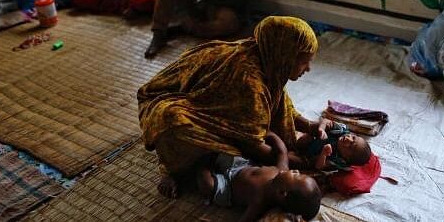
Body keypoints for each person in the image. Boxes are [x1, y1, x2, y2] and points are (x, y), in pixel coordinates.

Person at [138, 16, 334, 199]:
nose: (308, 68)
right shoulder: (251, 83)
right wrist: (300, 162)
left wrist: (310, 126)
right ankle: (175, 170)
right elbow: (252, 145)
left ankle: (206, 161)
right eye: (304, 61)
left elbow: (280, 106)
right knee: (173, 122)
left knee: (239, 153)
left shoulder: (268, 58)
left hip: (210, 106)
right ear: (285, 55)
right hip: (170, 105)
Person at [196, 132, 321, 222]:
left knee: (207, 185)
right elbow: (281, 152)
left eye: (296, 176)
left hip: (228, 188)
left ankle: (202, 164)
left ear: (283, 193)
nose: (296, 170)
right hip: (241, 165)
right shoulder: (281, 170)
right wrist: (268, 134)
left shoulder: (260, 201)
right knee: (228, 150)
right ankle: (211, 156)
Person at [297, 122, 371, 170]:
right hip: (313, 139)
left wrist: (324, 154)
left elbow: (318, 167)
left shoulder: (336, 159)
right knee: (308, 136)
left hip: (309, 156)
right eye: (353, 137)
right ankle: (299, 128)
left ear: (346, 157)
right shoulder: (341, 130)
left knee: (304, 163)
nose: (348, 139)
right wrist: (322, 129)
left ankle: (295, 151)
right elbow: (326, 121)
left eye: (350, 146)